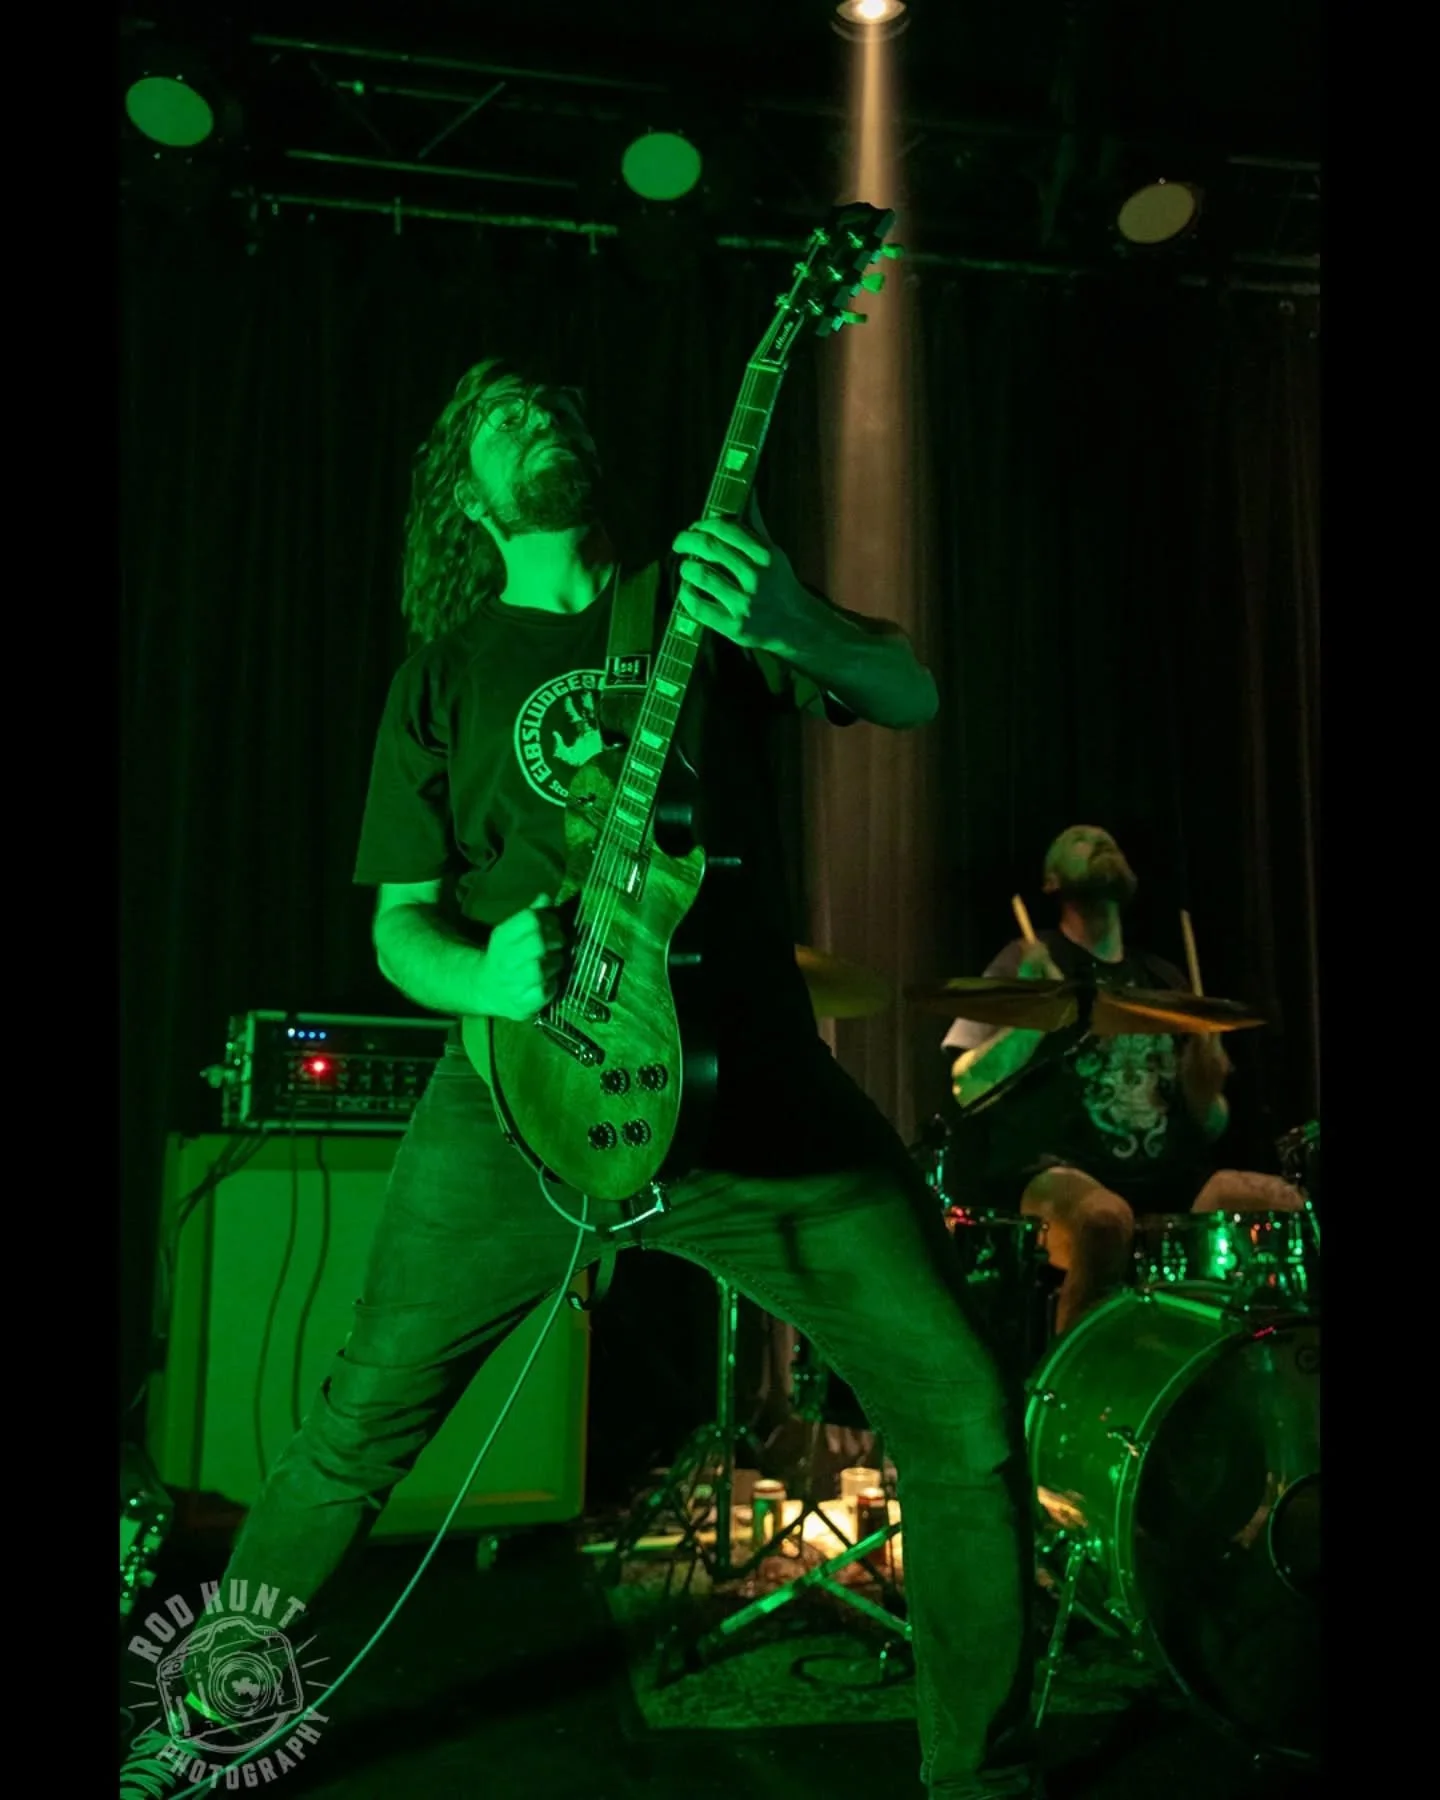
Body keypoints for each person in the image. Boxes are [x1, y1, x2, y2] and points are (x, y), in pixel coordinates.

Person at [121, 360, 1040, 1800]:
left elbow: (907, 689)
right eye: (492, 418)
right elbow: (398, 925)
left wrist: (794, 616)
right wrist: (483, 972)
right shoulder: (438, 676)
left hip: (749, 1104)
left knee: (962, 1413)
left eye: (545, 405)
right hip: (512, 1105)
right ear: (463, 496)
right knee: (355, 1427)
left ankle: (980, 1777)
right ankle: (203, 1729)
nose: (527, 415)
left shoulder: (697, 592)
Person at [944, 824, 1302, 1335]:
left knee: (1293, 1205)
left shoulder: (1163, 979)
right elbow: (967, 1086)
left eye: (1107, 839)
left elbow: (1210, 1125)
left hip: (1168, 1178)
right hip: (1059, 1171)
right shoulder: (1028, 957)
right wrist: (1033, 1011)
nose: (1099, 841)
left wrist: (1206, 1085)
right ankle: (1077, 1399)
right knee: (1104, 1220)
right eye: (1080, 840)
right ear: (1051, 881)